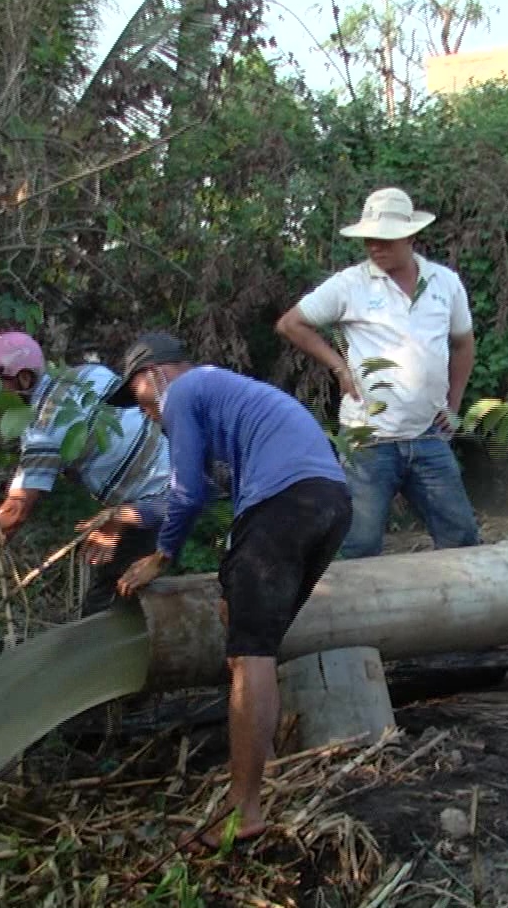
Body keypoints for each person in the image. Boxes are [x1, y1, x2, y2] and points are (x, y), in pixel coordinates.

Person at [102, 333, 352, 850]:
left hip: (283, 505)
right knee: (248, 639)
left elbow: (187, 493)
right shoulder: (225, 392)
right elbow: (211, 489)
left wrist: (161, 555)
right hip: (327, 503)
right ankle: (263, 767)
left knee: (250, 655)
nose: (144, 412)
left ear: (156, 375)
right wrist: (131, 516)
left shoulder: (186, 392)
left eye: (138, 397)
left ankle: (244, 808)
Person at [275, 187, 482, 559]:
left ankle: (452, 614)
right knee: (358, 546)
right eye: (370, 239)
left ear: (410, 235)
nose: (375, 246)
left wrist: (453, 407)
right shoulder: (350, 284)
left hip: (429, 435)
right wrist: (339, 367)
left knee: (462, 537)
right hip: (368, 440)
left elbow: (464, 344)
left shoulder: (444, 283)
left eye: (385, 239)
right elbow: (292, 324)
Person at [0, 332, 171, 616]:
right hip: (183, 465)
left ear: (24, 380)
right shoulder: (90, 373)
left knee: (107, 610)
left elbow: (14, 514)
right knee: (126, 594)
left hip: (152, 501)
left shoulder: (42, 431)